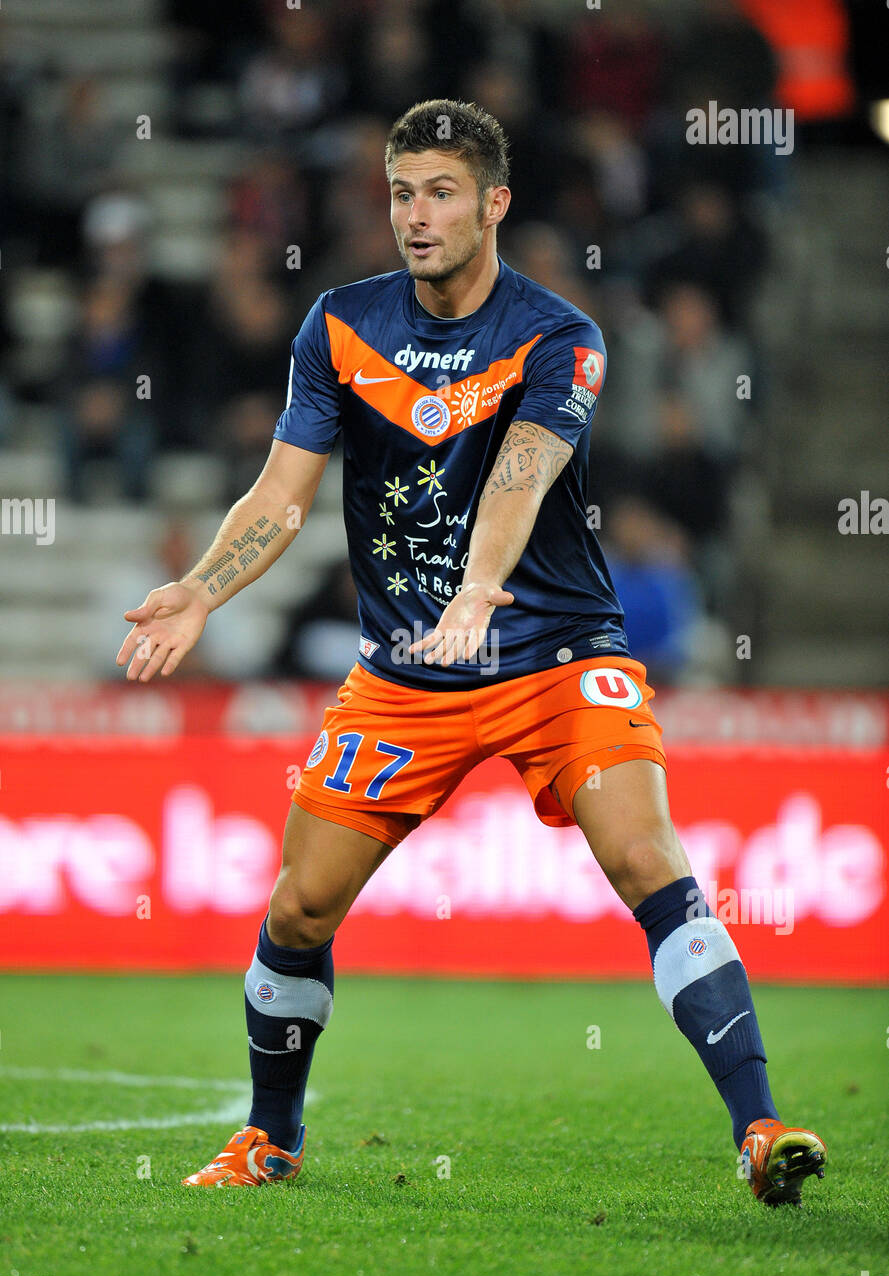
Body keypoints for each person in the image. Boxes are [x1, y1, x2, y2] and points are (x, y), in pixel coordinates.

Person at [117, 100, 825, 1206]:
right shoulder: (338, 326)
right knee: (299, 910)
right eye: (400, 191)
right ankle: (270, 1137)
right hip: (406, 672)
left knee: (649, 860)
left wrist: (479, 591)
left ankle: (759, 1125)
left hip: (553, 653)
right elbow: (283, 491)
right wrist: (201, 590)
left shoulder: (558, 337)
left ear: (494, 203)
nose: (415, 214)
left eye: (441, 191)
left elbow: (519, 473)